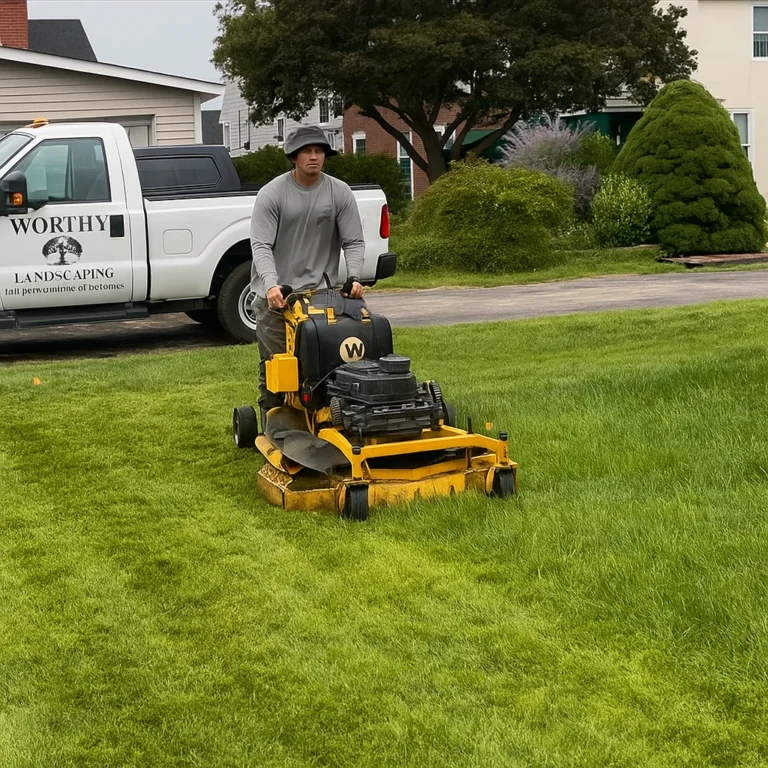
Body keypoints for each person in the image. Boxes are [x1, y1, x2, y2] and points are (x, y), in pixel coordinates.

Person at [249, 125, 366, 427]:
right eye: (307, 152)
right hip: (277, 298)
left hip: (319, 297)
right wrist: (271, 284)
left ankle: (330, 421)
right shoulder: (272, 194)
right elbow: (261, 244)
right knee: (279, 368)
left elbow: (353, 241)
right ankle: (273, 427)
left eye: (319, 151)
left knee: (328, 362)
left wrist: (353, 276)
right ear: (294, 157)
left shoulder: (339, 192)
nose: (314, 157)